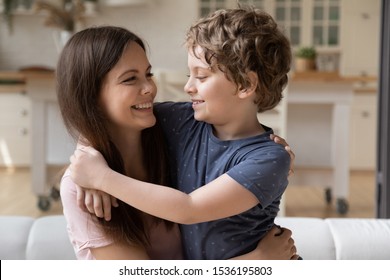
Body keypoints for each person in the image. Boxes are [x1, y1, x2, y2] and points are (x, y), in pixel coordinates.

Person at [70, 6, 296, 260]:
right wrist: (86, 156)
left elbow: (189, 209)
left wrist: (102, 178)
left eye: (201, 76)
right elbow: (108, 114)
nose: (188, 87)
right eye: (190, 75)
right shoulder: (184, 120)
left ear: (246, 84)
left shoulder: (268, 158)